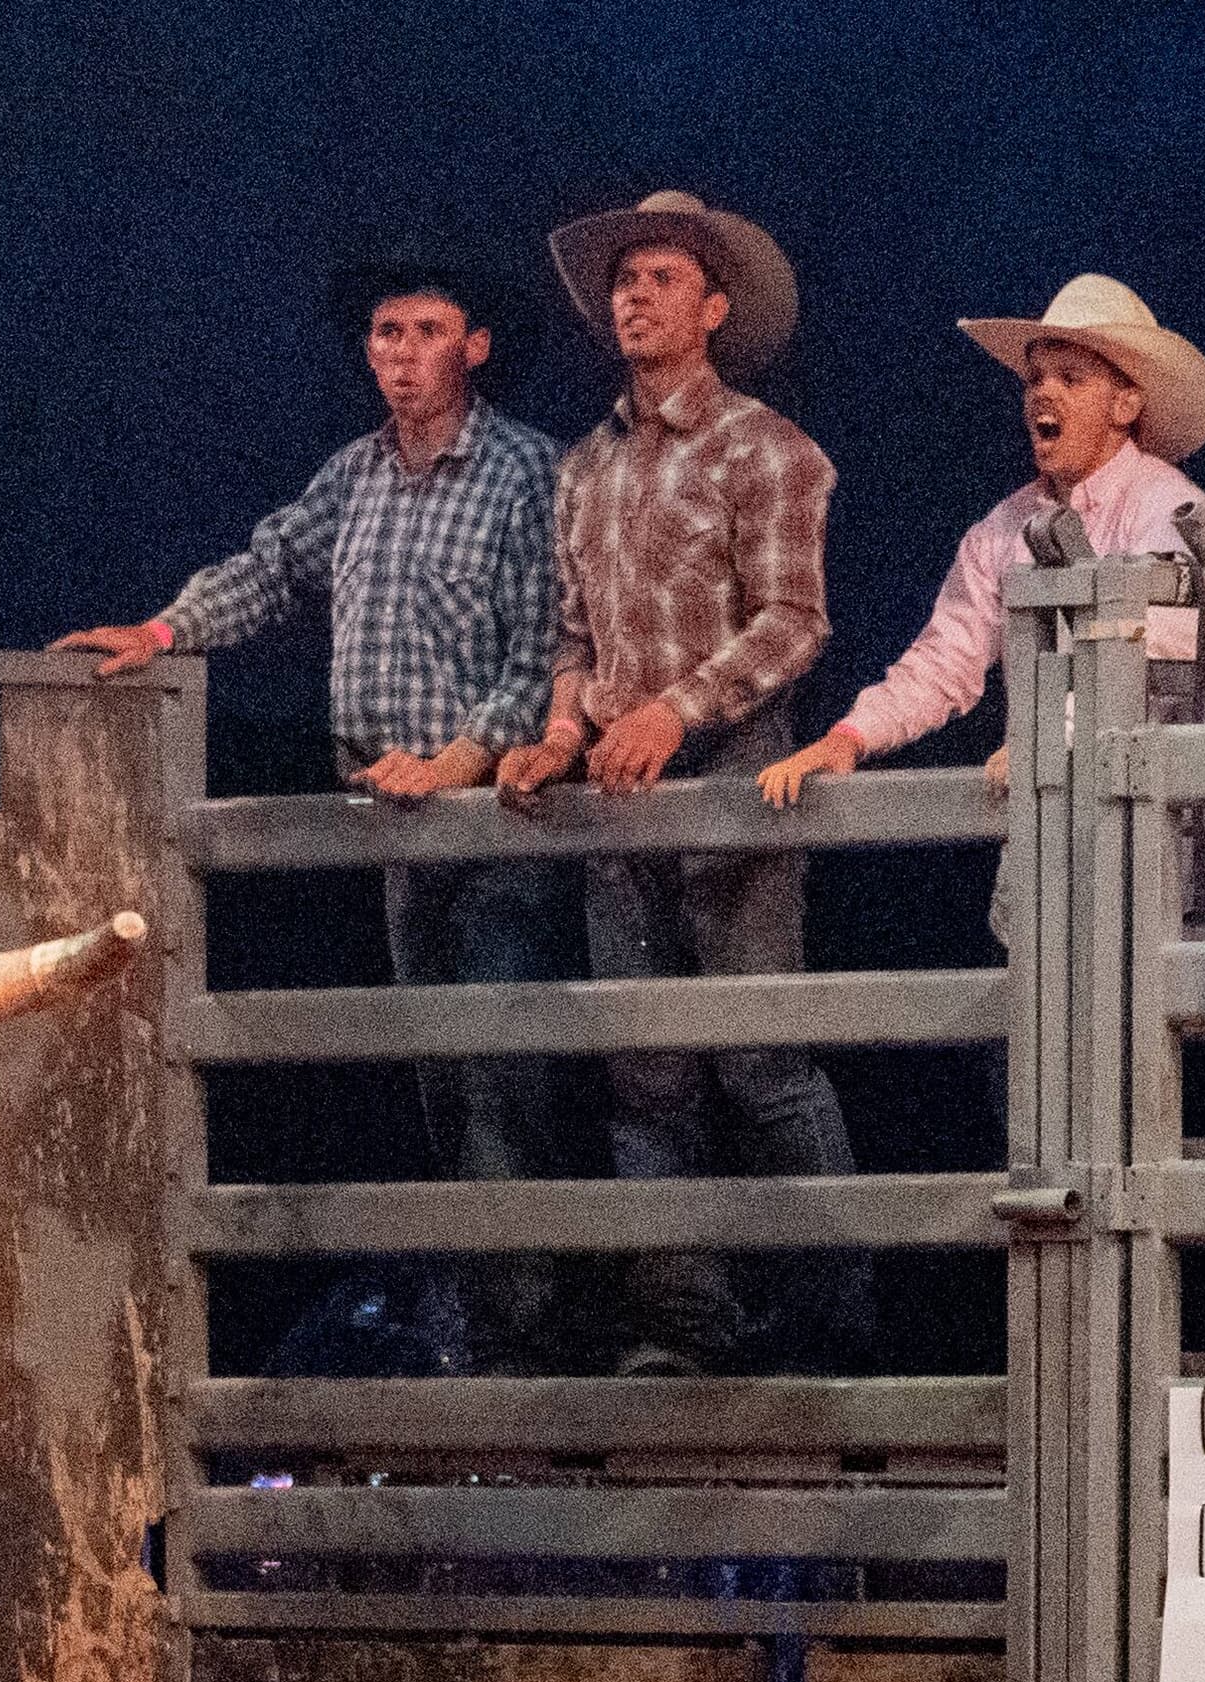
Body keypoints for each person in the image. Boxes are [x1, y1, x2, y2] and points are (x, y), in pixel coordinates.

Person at [54, 251, 577, 1366]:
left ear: (475, 346)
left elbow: (543, 646)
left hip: (492, 821)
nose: (402, 353)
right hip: (394, 818)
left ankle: (528, 1337)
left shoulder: (527, 471)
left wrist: (458, 760)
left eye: (429, 330)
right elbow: (271, 567)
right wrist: (160, 630)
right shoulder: (356, 475)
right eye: (388, 332)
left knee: (496, 1076)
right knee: (440, 1080)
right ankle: (485, 1328)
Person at [495, 191, 861, 1378]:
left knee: (762, 1060)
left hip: (734, 775)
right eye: (623, 281)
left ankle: (836, 1322)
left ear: (712, 307)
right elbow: (570, 632)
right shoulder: (585, 466)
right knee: (643, 1064)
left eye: (659, 278)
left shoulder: (773, 448)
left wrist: (672, 710)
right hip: (621, 783)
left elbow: (793, 625)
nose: (632, 296)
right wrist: (563, 726)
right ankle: (685, 1322)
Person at [756, 273, 1205, 926]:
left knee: (1134, 1016)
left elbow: (1158, 652)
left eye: (1071, 378)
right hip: (1046, 844)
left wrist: (1053, 742)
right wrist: (851, 735)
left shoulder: (1173, 511)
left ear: (1126, 404)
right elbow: (946, 657)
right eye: (1036, 378)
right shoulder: (1004, 530)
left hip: (1154, 844)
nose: (1043, 392)